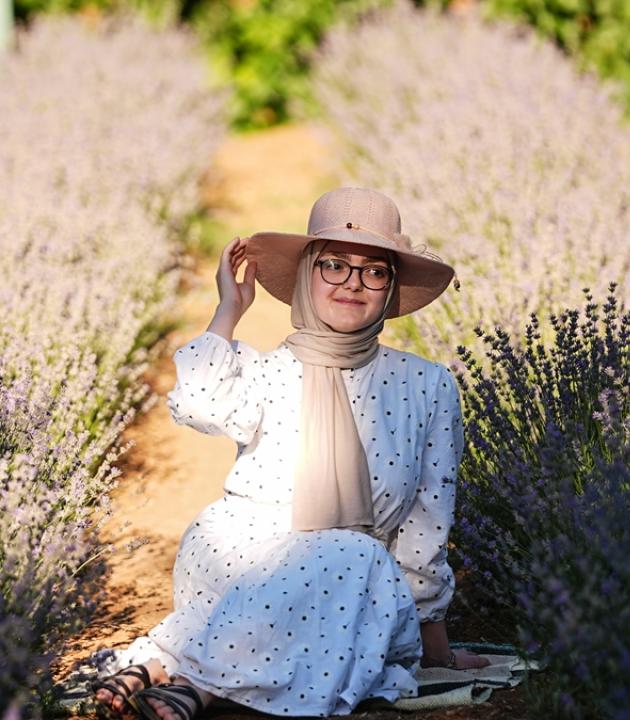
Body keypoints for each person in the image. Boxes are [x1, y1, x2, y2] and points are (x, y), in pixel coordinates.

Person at [93, 187, 488, 720]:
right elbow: (197, 404)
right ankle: (197, 684)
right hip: (239, 549)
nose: (352, 283)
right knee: (347, 557)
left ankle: (174, 671)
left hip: (355, 576)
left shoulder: (427, 384)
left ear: (390, 287)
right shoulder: (266, 371)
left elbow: (426, 522)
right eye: (334, 266)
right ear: (307, 274)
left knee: (352, 554)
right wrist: (228, 311)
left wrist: (433, 645)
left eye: (373, 271)